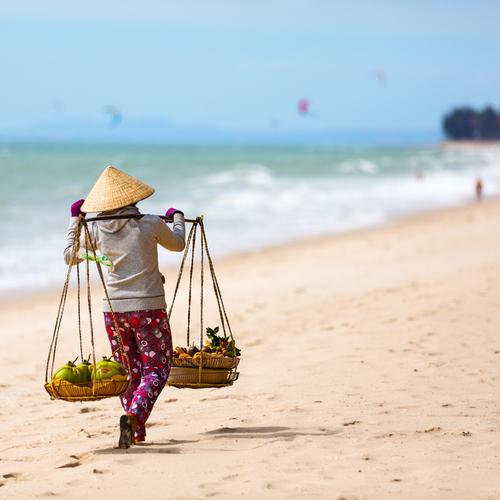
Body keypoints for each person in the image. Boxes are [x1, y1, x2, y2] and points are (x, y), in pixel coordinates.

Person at [64, 165, 185, 448]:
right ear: (133, 199)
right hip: (148, 310)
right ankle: (133, 416)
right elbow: (178, 244)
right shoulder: (151, 223)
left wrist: (75, 220)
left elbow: (70, 256)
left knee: (127, 370)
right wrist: (176, 218)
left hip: (114, 312)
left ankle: (137, 430)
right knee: (156, 368)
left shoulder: (95, 229)